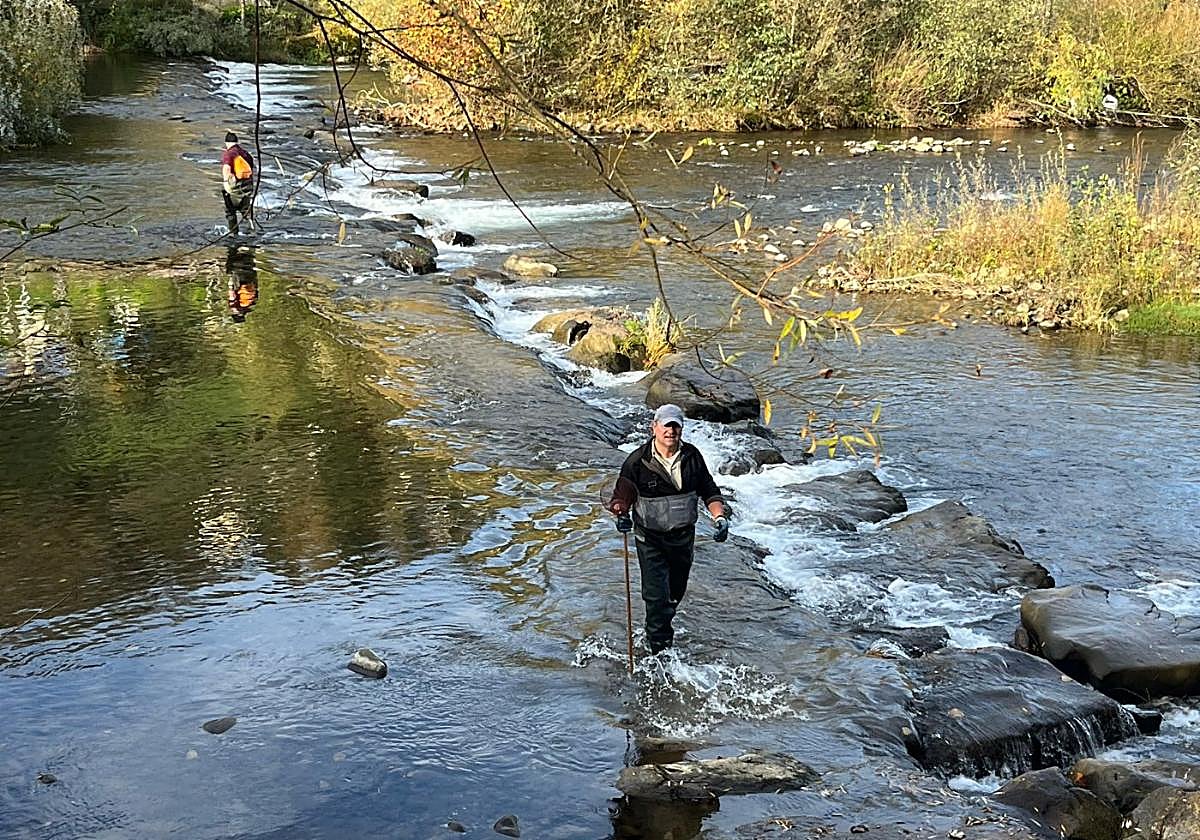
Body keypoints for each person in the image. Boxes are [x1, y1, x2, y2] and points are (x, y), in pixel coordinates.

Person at [610, 404, 728, 653]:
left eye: (675, 426)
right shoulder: (637, 461)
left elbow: (709, 491)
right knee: (656, 599)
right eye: (666, 425)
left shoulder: (693, 457)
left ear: (681, 429)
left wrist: (720, 519)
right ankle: (659, 652)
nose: (671, 431)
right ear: (654, 427)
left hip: (683, 540)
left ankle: (659, 631)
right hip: (650, 539)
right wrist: (621, 514)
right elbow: (621, 497)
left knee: (674, 595)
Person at [220, 131, 255, 235]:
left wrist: (226, 184)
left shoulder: (229, 153)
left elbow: (227, 169)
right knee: (246, 211)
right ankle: (252, 232)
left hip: (235, 188)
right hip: (247, 187)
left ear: (226, 143)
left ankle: (233, 234)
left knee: (230, 211)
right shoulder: (245, 153)